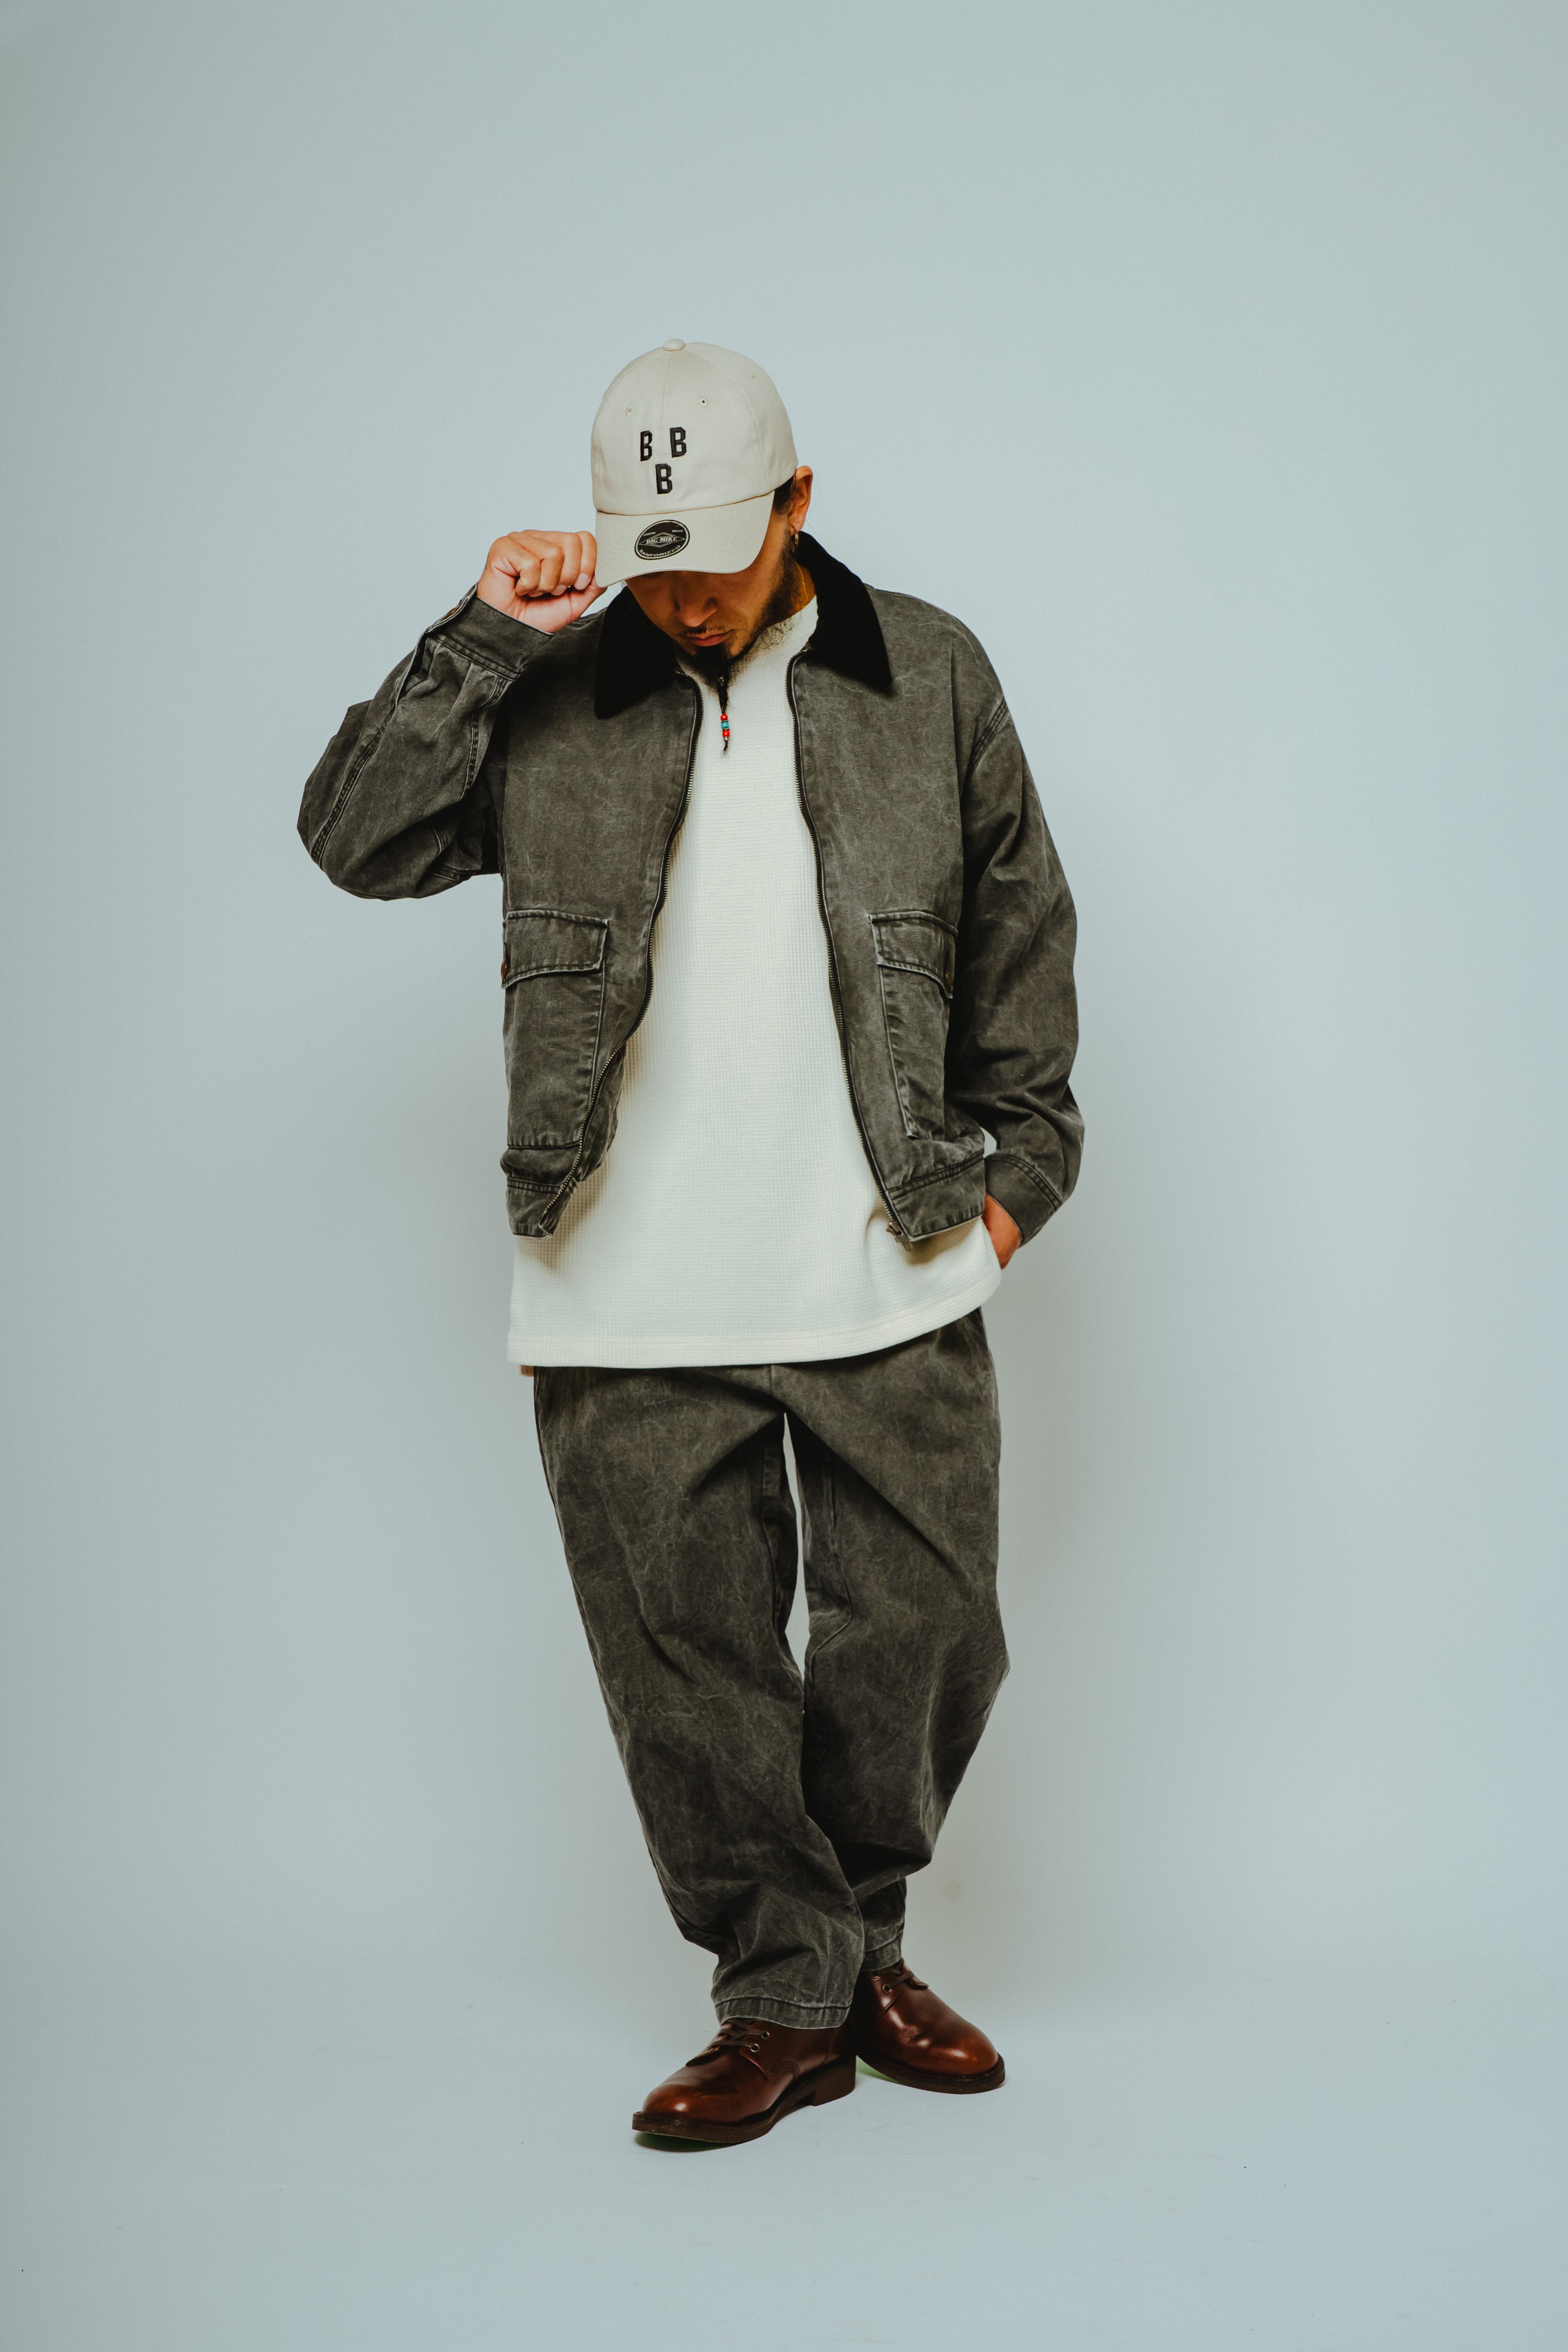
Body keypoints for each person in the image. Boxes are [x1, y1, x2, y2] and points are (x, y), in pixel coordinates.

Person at [299, 339, 1082, 2146]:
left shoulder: (927, 672)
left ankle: (851, 1943)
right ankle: (786, 1999)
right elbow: (355, 843)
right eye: (652, 564)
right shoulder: (553, 685)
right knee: (689, 1672)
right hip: (621, 1280)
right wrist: (479, 639)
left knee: (932, 1630)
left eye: (717, 558)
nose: (685, 599)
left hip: (884, 1256)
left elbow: (1018, 927)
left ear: (798, 504)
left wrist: (1014, 1183)